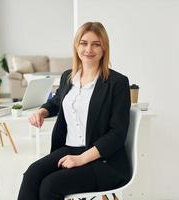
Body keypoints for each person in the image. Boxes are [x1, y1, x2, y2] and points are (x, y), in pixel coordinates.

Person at [18, 22, 131, 200]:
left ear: (104, 48)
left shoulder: (117, 83)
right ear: (76, 46)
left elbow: (117, 133)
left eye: (96, 44)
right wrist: (42, 111)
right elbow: (57, 101)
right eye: (84, 43)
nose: (89, 49)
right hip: (69, 149)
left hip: (104, 160)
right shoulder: (68, 77)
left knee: (50, 186)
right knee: (31, 175)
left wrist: (81, 159)